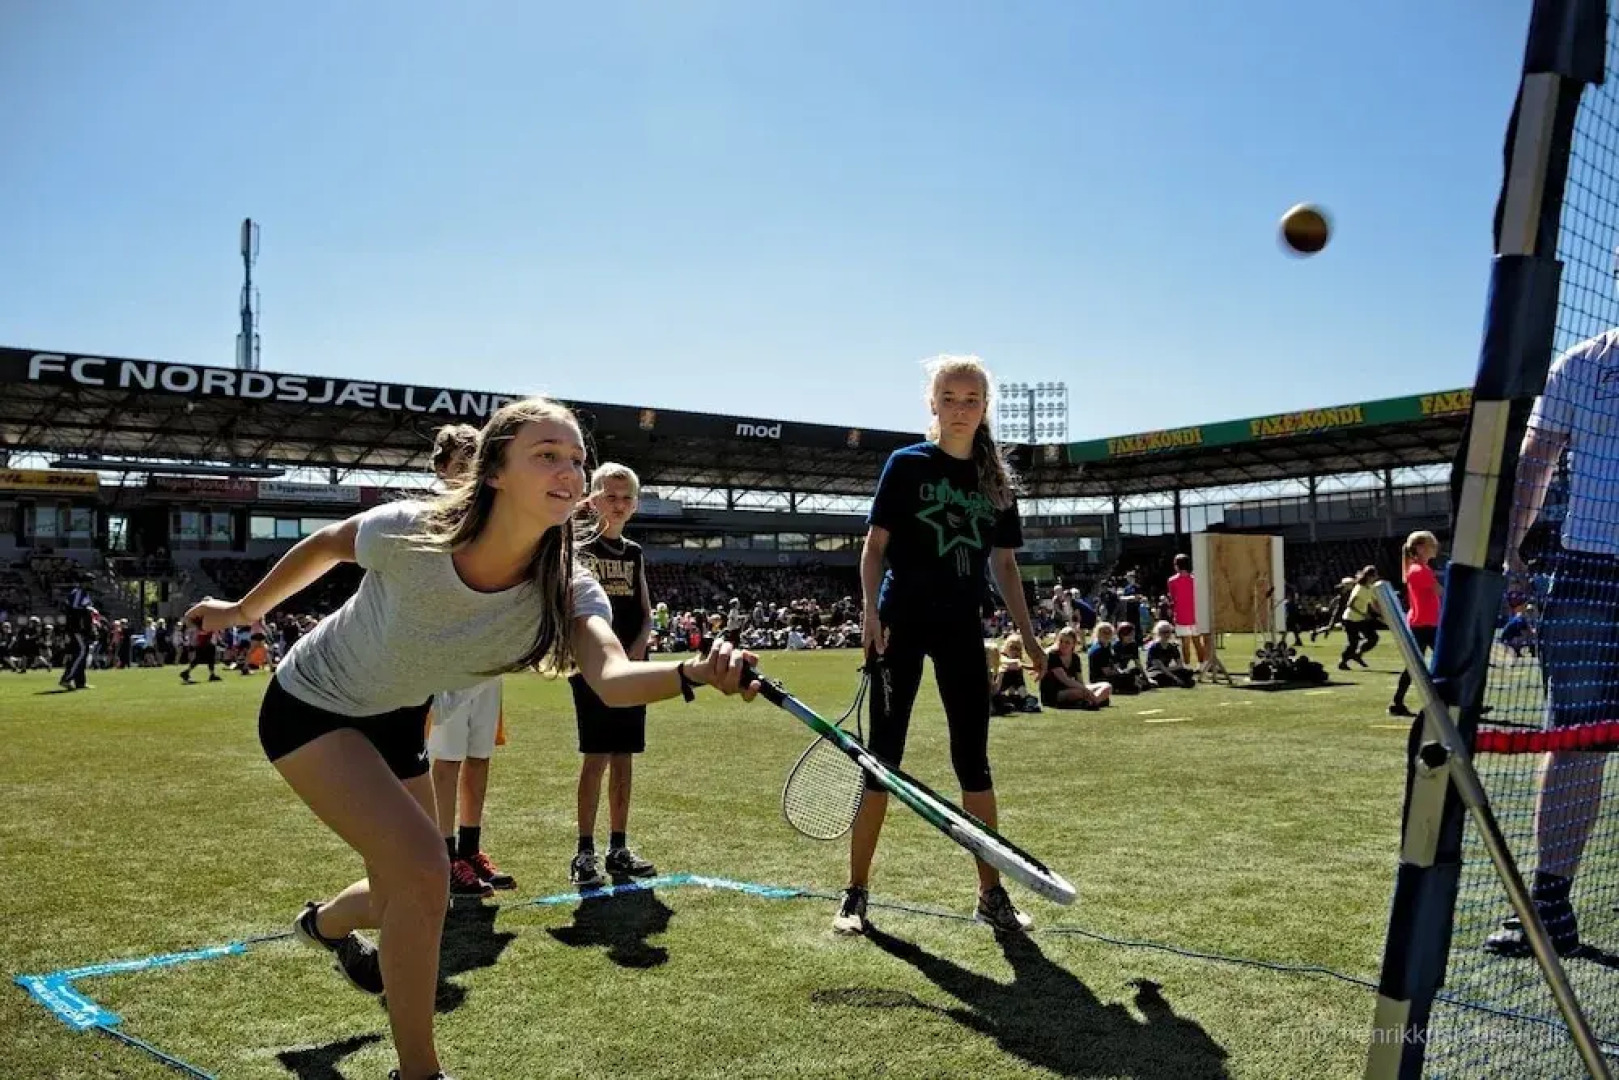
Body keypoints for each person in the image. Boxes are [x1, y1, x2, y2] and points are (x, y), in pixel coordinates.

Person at [185, 397, 759, 1080]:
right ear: (494, 472)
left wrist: (696, 673)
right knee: (424, 871)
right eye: (546, 455)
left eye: (576, 459)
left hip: (399, 717)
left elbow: (611, 678)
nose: (569, 471)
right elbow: (330, 542)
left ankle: (325, 926)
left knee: (407, 887)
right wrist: (241, 610)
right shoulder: (413, 530)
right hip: (311, 706)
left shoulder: (568, 587)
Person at [833, 354, 1045, 937]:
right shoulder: (905, 464)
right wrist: (869, 612)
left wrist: (1028, 635)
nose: (959, 409)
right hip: (899, 625)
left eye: (971, 399)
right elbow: (874, 547)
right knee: (882, 760)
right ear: (932, 403)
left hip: (960, 630)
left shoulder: (996, 481)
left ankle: (990, 895)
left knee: (973, 762)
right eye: (949, 398)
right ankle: (855, 892)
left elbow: (1005, 566)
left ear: (985, 408)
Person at [1485, 325, 1619, 958]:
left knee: (1577, 741)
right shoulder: (1582, 362)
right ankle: (1549, 908)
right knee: (1575, 739)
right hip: (1589, 570)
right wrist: (1507, 549)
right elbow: (1535, 461)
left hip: (1587, 577)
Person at [421, 423, 517, 901]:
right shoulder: (432, 518)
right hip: (447, 662)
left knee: (479, 757)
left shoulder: (493, 517)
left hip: (488, 660)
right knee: (447, 760)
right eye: (461, 462)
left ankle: (470, 849)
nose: (469, 473)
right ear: (441, 468)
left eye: (476, 463)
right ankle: (444, 858)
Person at [570, 462, 657, 887]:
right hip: (592, 668)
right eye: (610, 496)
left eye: (626, 498)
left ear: (635, 504)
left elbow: (646, 613)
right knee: (596, 756)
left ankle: (618, 847)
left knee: (624, 757)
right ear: (592, 499)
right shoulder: (579, 548)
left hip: (630, 667)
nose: (618, 504)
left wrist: (637, 648)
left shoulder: (634, 553)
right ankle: (584, 852)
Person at [1389, 532, 1442, 717]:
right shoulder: (1419, 570)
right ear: (1419, 548)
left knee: (1415, 666)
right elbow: (1440, 591)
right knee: (1441, 663)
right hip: (1425, 624)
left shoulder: (1420, 569)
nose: (1435, 547)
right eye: (1431, 544)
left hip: (1425, 623)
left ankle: (1397, 702)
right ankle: (1456, 701)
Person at [1040, 627, 1111, 709]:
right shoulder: (1053, 656)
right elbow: (1066, 680)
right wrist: (1086, 690)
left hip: (1073, 688)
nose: (1063, 645)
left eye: (1067, 642)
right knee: (1080, 692)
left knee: (1107, 686)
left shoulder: (1075, 658)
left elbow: (1080, 681)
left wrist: (1087, 690)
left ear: (1074, 644)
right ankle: (1095, 701)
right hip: (1055, 693)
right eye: (1061, 641)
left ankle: (1092, 702)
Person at [1338, 567, 1382, 670]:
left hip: (1361, 619)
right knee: (1353, 643)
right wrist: (1363, 614)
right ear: (1369, 576)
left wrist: (1381, 614)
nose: (1376, 577)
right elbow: (1350, 604)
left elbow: (1373, 603)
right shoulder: (1359, 588)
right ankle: (1342, 662)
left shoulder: (1370, 588)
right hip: (1350, 619)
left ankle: (1358, 654)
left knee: (1373, 638)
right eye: (1375, 575)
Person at [1167, 554, 1206, 669]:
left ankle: (1187, 666)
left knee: (1185, 643)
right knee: (1197, 642)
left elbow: (1172, 599)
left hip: (1181, 615)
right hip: (1195, 615)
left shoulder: (1172, 581)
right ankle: (1202, 665)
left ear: (1177, 565)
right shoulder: (1195, 579)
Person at [58, 582, 94, 690]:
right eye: (90, 582)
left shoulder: (84, 594)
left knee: (83, 653)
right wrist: (87, 610)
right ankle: (66, 679)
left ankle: (80, 682)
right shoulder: (78, 593)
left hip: (81, 630)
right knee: (80, 652)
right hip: (76, 629)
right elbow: (74, 609)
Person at [1146, 621, 1197, 688]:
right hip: (1155, 672)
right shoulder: (1154, 648)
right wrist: (1175, 678)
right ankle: (1177, 682)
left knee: (1187, 672)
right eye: (1163, 632)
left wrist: (1169, 669)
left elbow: (1180, 665)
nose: (1166, 634)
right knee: (1160, 676)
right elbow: (1160, 667)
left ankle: (1176, 682)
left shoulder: (1173, 647)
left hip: (1166, 670)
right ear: (1158, 633)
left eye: (1168, 632)